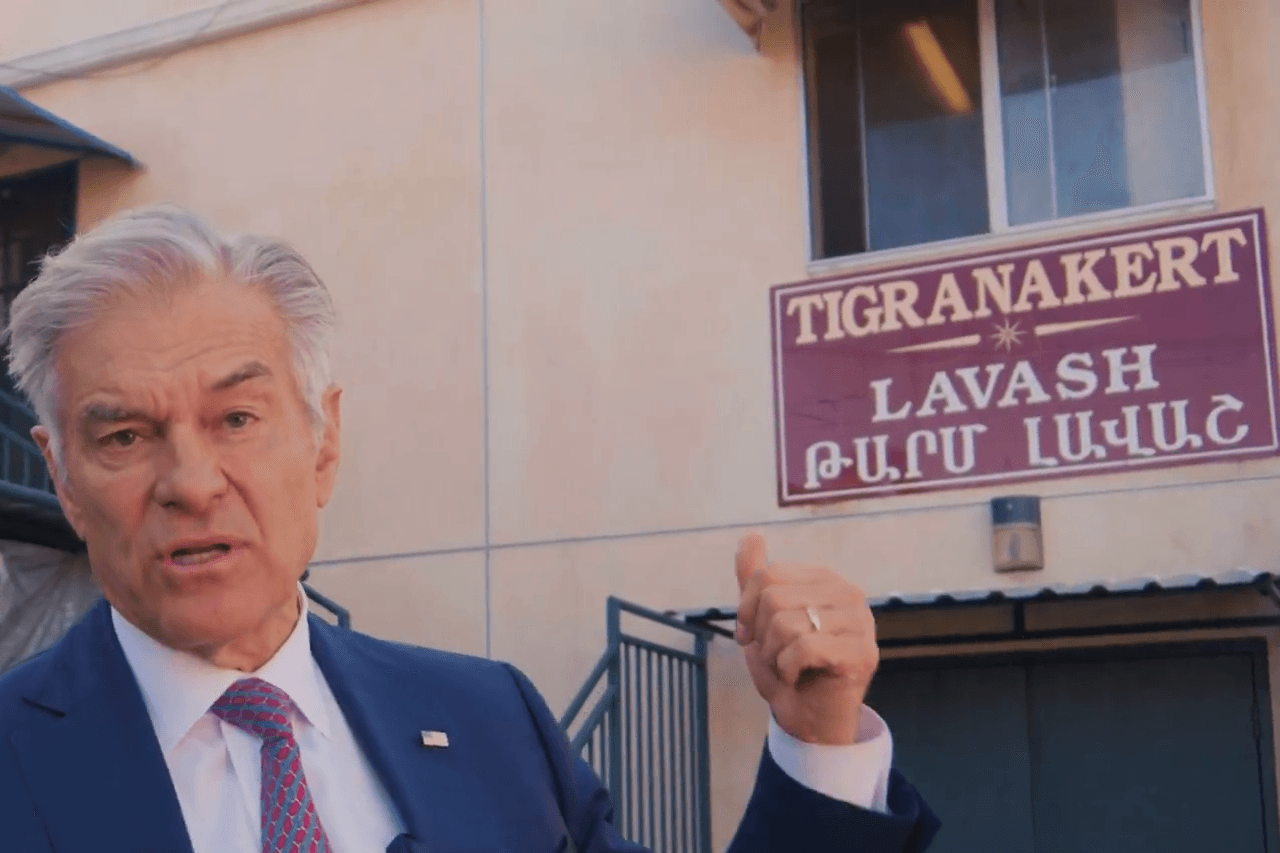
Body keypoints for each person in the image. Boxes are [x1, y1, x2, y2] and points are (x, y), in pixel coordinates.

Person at [0, 206, 939, 853]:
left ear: (324, 445)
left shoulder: (495, 723)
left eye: (237, 419)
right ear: (65, 480)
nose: (192, 482)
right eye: (125, 435)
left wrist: (818, 739)